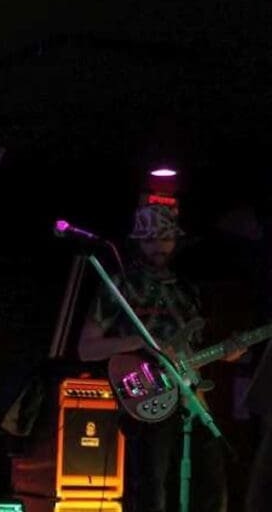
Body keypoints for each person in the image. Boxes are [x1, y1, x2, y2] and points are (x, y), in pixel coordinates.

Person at [78, 203, 240, 512]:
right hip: (147, 393)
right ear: (137, 242)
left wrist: (227, 353)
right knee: (151, 488)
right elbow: (86, 349)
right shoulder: (121, 285)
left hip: (191, 397)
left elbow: (195, 351)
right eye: (150, 240)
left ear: (176, 241)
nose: (158, 247)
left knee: (210, 482)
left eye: (165, 239)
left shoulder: (188, 290)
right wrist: (138, 341)